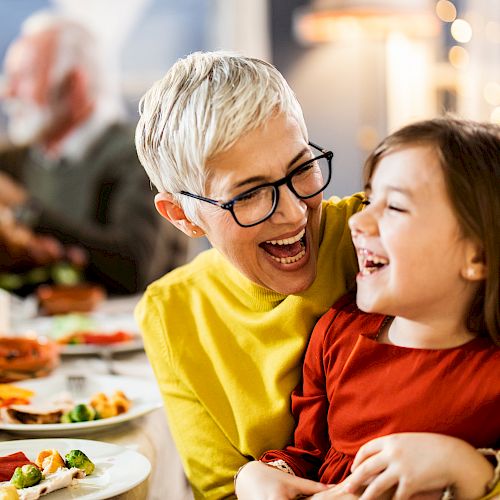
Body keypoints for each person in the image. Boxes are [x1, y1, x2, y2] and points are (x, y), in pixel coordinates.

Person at [134, 51, 496, 499]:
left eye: (302, 169)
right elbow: (226, 489)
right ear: (181, 216)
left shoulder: (388, 240)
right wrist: (251, 480)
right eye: (248, 195)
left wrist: (480, 470)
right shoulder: (172, 314)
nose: (292, 214)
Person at [235, 117, 500, 500]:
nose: (358, 220)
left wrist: (471, 470)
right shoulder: (336, 333)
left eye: (394, 207)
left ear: (477, 254)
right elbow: (307, 453)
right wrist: (257, 476)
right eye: (370, 199)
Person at [0, 10, 187, 294]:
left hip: (138, 332)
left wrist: (26, 210)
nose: (8, 93)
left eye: (23, 77)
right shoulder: (18, 159)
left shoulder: (140, 156)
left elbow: (134, 269)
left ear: (74, 85)